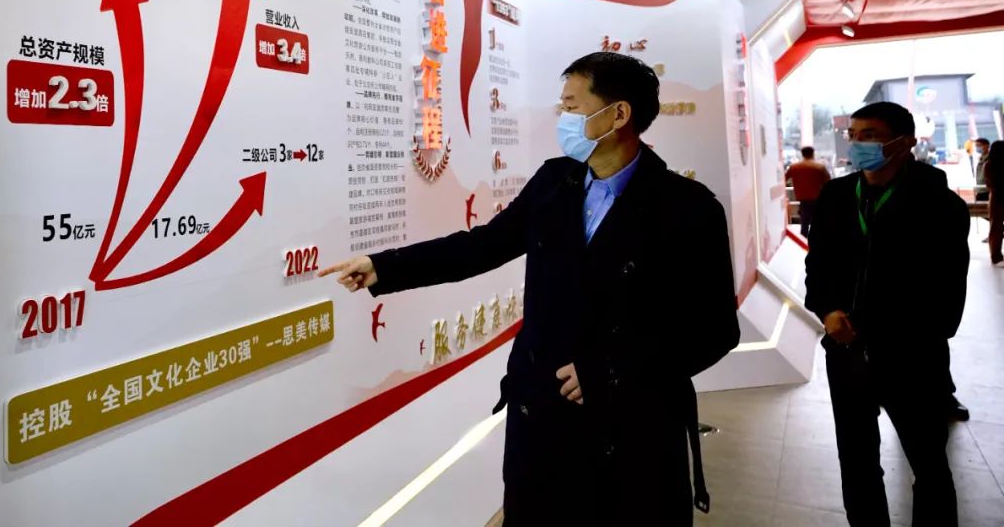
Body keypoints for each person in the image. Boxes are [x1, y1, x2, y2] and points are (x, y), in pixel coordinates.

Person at [321, 52, 740, 525]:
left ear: (619, 114)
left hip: (633, 428)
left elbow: (714, 331)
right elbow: (482, 246)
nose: (562, 117)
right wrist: (384, 267)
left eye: (572, 105)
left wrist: (613, 371)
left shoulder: (688, 209)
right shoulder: (553, 183)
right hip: (541, 418)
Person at [805, 102, 970, 527]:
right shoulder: (836, 197)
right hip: (846, 354)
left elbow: (948, 292)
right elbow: (818, 265)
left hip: (913, 358)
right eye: (854, 136)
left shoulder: (940, 205)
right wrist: (827, 310)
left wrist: (898, 332)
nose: (858, 145)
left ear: (904, 142)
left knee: (929, 464)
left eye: (871, 135)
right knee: (857, 463)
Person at [786, 146, 831, 237]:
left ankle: (804, 240)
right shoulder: (820, 167)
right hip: (818, 198)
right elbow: (828, 182)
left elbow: (784, 178)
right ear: (813, 154)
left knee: (804, 222)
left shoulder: (794, 167)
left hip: (803, 198)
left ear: (802, 154)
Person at [987, 140, 1003, 266]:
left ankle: (996, 256)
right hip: (998, 198)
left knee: (996, 228)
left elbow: (990, 184)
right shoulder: (990, 165)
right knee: (996, 229)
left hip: (996, 198)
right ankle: (996, 257)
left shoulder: (989, 165)